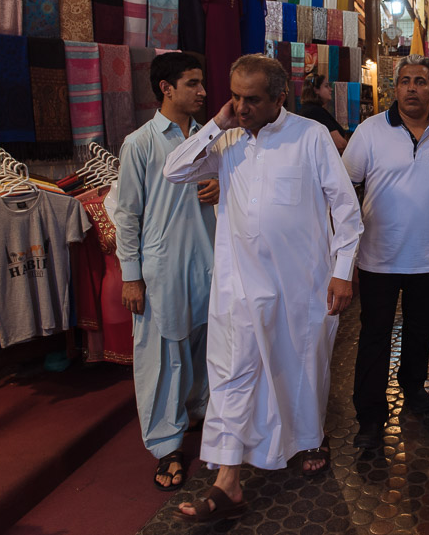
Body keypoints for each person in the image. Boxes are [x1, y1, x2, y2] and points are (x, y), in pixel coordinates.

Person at [164, 55, 363, 521]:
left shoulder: (310, 137)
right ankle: (227, 483)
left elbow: (346, 209)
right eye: (234, 95)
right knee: (232, 378)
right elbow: (175, 171)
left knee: (300, 372)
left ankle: (307, 439)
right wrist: (217, 122)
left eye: (251, 99)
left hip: (301, 287)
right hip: (237, 288)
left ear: (280, 97)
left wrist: (343, 269)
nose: (241, 106)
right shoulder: (227, 137)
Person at [343, 53, 429, 450]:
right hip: (378, 255)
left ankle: (413, 389)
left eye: (421, 81)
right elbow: (345, 188)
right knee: (374, 335)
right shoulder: (370, 131)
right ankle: (370, 416)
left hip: (427, 257)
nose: (412, 87)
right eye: (406, 81)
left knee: (420, 331)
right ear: (396, 88)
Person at [116, 52, 218, 491]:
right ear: (166, 88)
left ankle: (198, 417)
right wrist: (131, 275)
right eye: (193, 83)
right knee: (163, 357)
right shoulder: (141, 143)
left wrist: (222, 185)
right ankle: (166, 445)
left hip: (209, 257)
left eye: (201, 82)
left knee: (204, 347)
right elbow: (127, 214)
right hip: (162, 264)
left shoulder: (210, 138)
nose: (203, 92)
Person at [298, 72, 349, 153]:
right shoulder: (315, 112)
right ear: (316, 90)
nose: (331, 89)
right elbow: (340, 144)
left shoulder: (307, 109)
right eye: (326, 86)